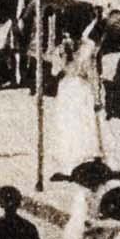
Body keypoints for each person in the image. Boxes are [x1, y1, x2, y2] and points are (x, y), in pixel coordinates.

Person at [49, 18, 105, 180]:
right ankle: (82, 162)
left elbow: (54, 71)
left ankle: (70, 163)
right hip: (81, 88)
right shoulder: (88, 47)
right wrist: (97, 97)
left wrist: (63, 57)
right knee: (82, 124)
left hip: (68, 88)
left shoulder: (62, 48)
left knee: (69, 125)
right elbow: (92, 74)